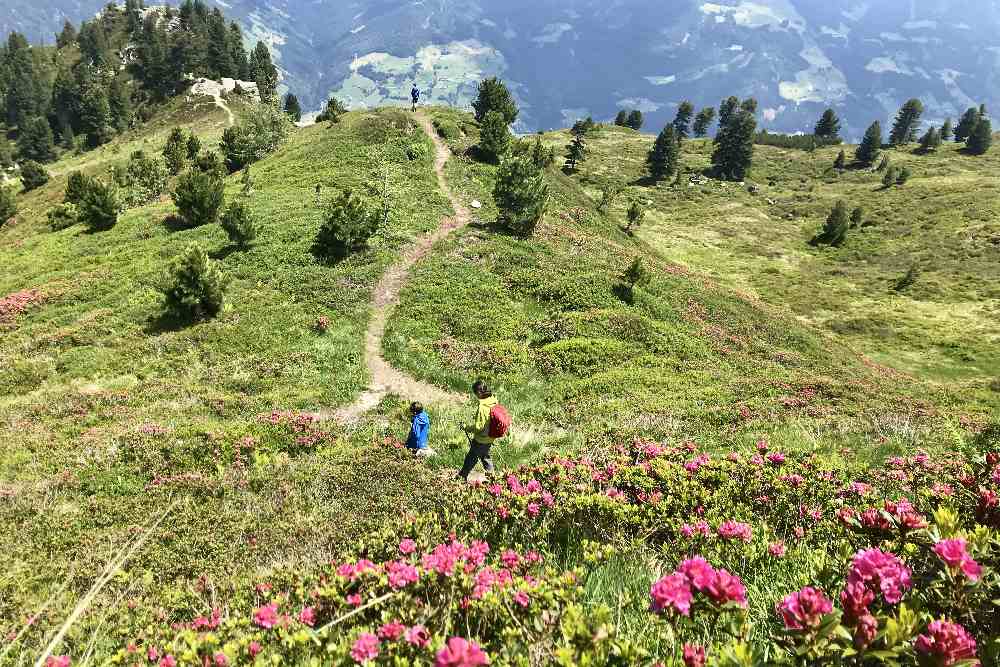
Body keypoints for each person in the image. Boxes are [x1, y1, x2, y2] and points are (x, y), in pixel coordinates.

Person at [458, 380, 498, 480]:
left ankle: (462, 476)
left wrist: (466, 427)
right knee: (485, 456)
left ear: (479, 392)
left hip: (481, 438)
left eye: (476, 393)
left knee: (471, 458)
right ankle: (492, 477)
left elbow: (478, 427)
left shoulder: (483, 407)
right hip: (491, 436)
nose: (476, 396)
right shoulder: (493, 400)